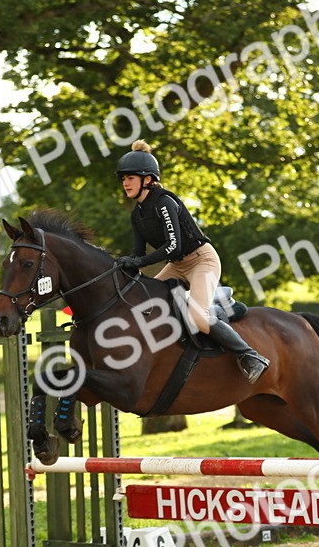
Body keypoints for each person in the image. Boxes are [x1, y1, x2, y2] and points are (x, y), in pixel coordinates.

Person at [114, 140, 270, 383]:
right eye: (123, 178)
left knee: (198, 317)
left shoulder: (164, 202)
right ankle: (216, 308)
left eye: (130, 177)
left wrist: (139, 261)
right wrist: (121, 264)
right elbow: (137, 253)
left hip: (201, 261)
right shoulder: (138, 213)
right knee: (145, 300)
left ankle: (250, 355)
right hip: (177, 265)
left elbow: (172, 245)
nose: (125, 183)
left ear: (147, 179)